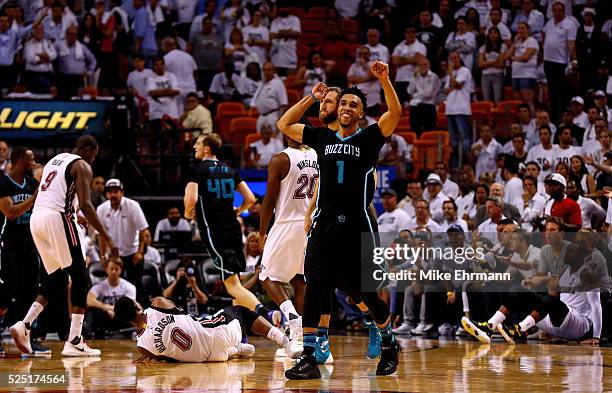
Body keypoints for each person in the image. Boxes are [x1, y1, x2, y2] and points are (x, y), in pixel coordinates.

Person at [277, 60, 402, 378]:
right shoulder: (320, 138)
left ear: (361, 113)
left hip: (359, 228)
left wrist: (385, 80)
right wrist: (311, 98)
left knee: (368, 294)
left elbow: (395, 114)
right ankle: (308, 356)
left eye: (354, 104)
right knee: (315, 288)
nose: (347, 107)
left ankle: (388, 344)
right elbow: (284, 124)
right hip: (324, 226)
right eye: (343, 102)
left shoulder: (370, 138)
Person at [10, 136, 119, 356]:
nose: (93, 160)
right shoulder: (82, 165)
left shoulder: (55, 161)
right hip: (57, 218)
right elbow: (87, 205)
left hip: (37, 219)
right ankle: (75, 340)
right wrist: (107, 236)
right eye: (94, 155)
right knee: (81, 277)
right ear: (89, 150)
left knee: (57, 278)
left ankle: (25, 325)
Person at [183, 134, 281, 327]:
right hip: (234, 229)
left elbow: (191, 200)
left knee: (232, 285)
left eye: (198, 143)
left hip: (214, 228)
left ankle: (268, 313)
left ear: (207, 149)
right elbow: (251, 199)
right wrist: (239, 210)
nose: (194, 146)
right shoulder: (229, 169)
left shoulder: (197, 170)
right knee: (236, 283)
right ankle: (240, 335)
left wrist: (188, 214)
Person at [462, 242, 602, 346]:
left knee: (551, 300)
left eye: (571, 251)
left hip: (578, 325)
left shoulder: (588, 275)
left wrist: (595, 337)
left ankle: (518, 331)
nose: (566, 253)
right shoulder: (566, 272)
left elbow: (596, 306)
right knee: (518, 292)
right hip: (558, 322)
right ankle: (489, 327)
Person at [258, 134, 318, 359]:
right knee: (300, 280)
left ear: (286, 132)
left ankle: (292, 316)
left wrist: (262, 232)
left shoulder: (280, 159)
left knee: (266, 277)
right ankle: (299, 338)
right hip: (309, 223)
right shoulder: (317, 155)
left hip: (286, 223)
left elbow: (269, 201)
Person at [113, 296, 292, 362]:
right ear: (137, 305)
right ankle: (285, 341)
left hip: (211, 359)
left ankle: (235, 351)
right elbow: (182, 315)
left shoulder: (142, 346)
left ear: (126, 322)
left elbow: (168, 360)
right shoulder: (157, 304)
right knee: (240, 311)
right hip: (217, 333)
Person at [0, 147, 38, 353]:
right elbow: (10, 212)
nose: (34, 163)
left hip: (30, 245)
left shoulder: (33, 183)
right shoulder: (3, 183)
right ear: (21, 160)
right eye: (31, 159)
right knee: (5, 294)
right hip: (8, 246)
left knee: (30, 293)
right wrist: (34, 198)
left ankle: (27, 337)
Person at [542, 1, 577, 122]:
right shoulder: (549, 23)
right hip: (548, 62)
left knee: (563, 91)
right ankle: (553, 117)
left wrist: (574, 61)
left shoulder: (569, 24)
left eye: (559, 10)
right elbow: (544, 36)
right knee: (552, 91)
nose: (557, 12)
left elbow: (571, 44)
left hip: (561, 62)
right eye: (554, 10)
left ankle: (564, 117)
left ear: (563, 11)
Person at [85, 258, 136, 338]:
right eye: (111, 269)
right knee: (92, 310)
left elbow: (129, 307)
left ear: (121, 270)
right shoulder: (99, 286)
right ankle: (89, 334)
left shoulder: (129, 287)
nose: (114, 271)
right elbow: (89, 300)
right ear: (106, 270)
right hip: (105, 317)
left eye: (116, 269)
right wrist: (106, 308)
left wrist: (114, 310)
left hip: (121, 318)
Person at [445, 51, 473, 169]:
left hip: (462, 109)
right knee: (454, 140)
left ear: (460, 59)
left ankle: (467, 163)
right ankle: (456, 164)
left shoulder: (464, 71)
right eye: (451, 58)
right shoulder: (450, 74)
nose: (453, 60)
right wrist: (453, 83)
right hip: (450, 109)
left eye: (455, 58)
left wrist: (451, 76)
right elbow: (447, 90)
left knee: (464, 138)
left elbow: (457, 85)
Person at [391, 25, 427, 106]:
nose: (410, 34)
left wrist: (402, 59)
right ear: (405, 34)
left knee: (414, 104)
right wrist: (412, 59)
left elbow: (419, 60)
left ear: (415, 33)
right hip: (400, 80)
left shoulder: (421, 46)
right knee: (399, 106)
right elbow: (395, 61)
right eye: (408, 32)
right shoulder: (399, 47)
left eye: (412, 32)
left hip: (414, 79)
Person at [506, 22, 538, 110]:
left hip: (527, 75)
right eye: (519, 28)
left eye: (523, 28)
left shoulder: (532, 41)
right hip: (515, 75)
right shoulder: (517, 42)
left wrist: (514, 58)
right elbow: (506, 57)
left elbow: (526, 58)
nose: (520, 30)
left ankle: (532, 121)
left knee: (528, 101)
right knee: (519, 104)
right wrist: (514, 43)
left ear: (527, 29)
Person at [251, 62, 288, 134]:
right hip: (261, 116)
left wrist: (280, 121)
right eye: (264, 70)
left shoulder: (278, 83)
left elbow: (284, 104)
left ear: (274, 71)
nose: (266, 72)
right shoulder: (262, 83)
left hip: (273, 116)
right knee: (260, 140)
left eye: (268, 70)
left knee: (273, 139)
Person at [407, 57, 440, 134]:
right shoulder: (415, 76)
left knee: (429, 131)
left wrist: (415, 96)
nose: (423, 67)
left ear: (429, 65)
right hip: (415, 107)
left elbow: (429, 94)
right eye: (420, 65)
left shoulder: (434, 77)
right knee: (415, 131)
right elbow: (409, 91)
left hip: (428, 107)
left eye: (425, 64)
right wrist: (414, 78)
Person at [269, 8, 300, 76]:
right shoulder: (275, 21)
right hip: (276, 58)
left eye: (285, 8)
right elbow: (272, 36)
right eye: (281, 8)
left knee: (290, 82)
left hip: (290, 57)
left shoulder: (295, 19)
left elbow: (296, 34)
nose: (283, 9)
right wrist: (288, 32)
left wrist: (279, 32)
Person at [479, 26, 506, 104]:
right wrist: (494, 61)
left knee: (498, 100)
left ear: (498, 35)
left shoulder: (503, 46)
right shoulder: (483, 48)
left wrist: (486, 63)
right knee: (487, 101)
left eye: (495, 33)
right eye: (490, 33)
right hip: (485, 76)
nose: (492, 35)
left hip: (498, 75)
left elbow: (501, 64)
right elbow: (480, 64)